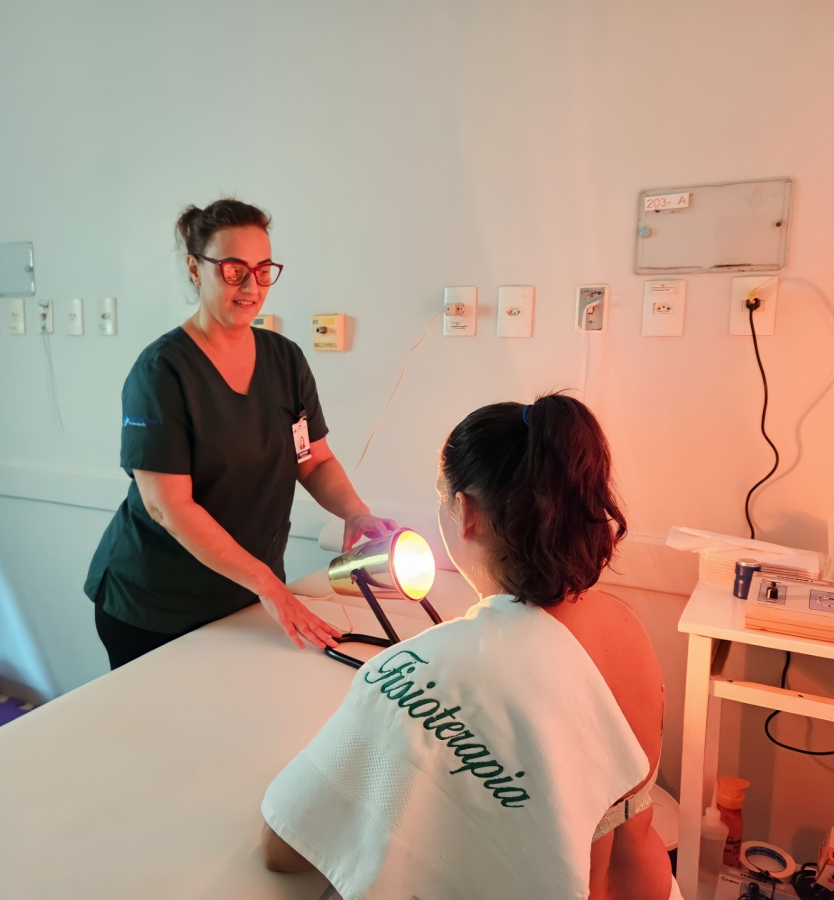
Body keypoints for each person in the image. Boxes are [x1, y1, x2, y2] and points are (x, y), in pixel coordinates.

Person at [259, 394, 678, 900]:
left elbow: (283, 845)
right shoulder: (624, 623)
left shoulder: (430, 672)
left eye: (443, 499)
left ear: (467, 512)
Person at [84, 199, 396, 669]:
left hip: (244, 594)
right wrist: (267, 583)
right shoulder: (162, 372)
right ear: (196, 268)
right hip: (157, 603)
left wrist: (354, 512)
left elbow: (313, 459)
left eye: (263, 270)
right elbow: (167, 507)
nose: (251, 287)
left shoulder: (285, 360)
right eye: (234, 270)